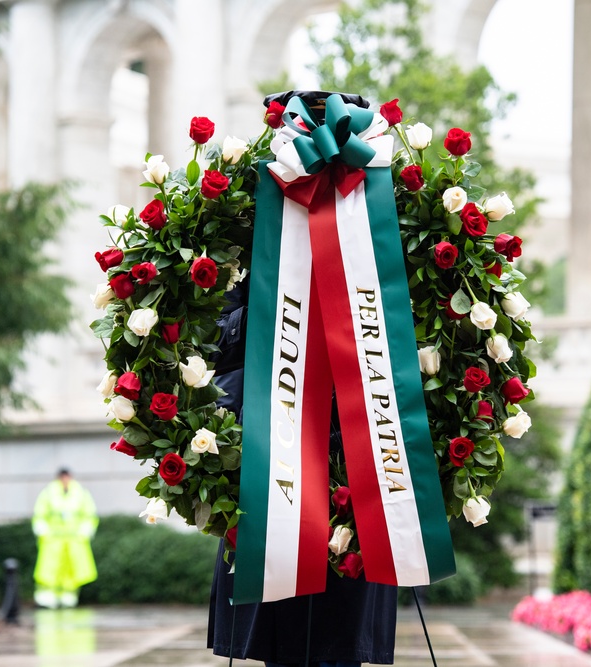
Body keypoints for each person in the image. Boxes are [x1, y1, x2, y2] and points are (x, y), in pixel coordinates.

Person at [206, 90, 398, 667]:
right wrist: (286, 306)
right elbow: (217, 331)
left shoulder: (375, 220)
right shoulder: (249, 224)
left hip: (356, 442)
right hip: (272, 439)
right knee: (279, 632)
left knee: (343, 624)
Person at [31, 468, 99, 609]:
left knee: (71, 568)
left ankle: (69, 596)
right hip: (53, 539)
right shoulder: (48, 493)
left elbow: (89, 514)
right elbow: (40, 514)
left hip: (74, 539)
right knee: (49, 568)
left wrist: (84, 531)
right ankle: (47, 597)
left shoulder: (80, 493)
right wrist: (43, 531)